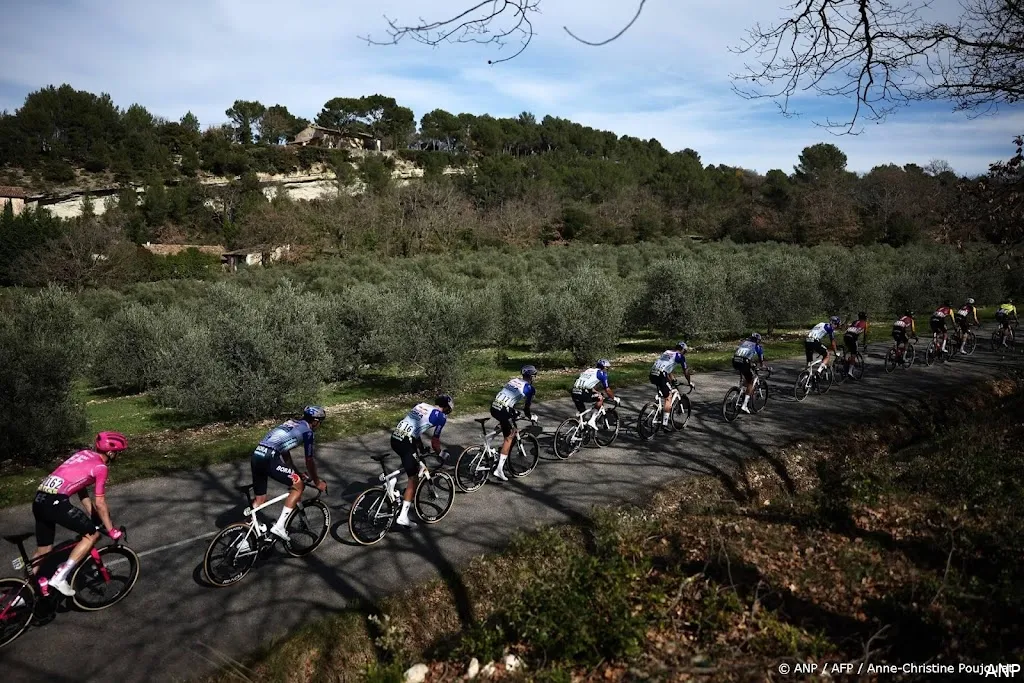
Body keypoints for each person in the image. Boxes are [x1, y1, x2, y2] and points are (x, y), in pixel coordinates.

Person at [31, 432, 128, 597]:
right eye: (118, 453)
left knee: (44, 550)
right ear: (111, 453)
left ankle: (25, 591)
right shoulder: (101, 468)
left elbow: (80, 487)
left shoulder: (83, 454)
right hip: (56, 502)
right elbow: (100, 503)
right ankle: (60, 577)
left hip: (40, 499)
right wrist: (111, 530)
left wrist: (91, 513)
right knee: (92, 535)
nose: (118, 456)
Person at [250, 406, 327, 543]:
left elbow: (284, 450)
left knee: (260, 499)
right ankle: (280, 527)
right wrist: (317, 482)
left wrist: (295, 472)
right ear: (315, 421)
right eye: (320, 422)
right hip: (269, 458)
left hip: (257, 455)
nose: (319, 425)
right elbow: (309, 460)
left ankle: (245, 534)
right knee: (298, 486)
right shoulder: (308, 432)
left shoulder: (290, 423)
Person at [389, 395, 454, 528]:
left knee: (410, 460)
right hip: (406, 441)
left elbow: (415, 428)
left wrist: (421, 448)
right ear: (447, 408)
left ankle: (393, 481)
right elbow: (435, 442)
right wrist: (441, 453)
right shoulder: (441, 417)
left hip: (396, 437)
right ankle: (403, 517)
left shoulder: (421, 405)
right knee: (413, 478)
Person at [490, 365, 539, 481]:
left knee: (505, 421)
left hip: (494, 406)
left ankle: (489, 444)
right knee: (509, 438)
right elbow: (526, 409)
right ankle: (499, 470)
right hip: (503, 409)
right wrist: (531, 416)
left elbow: (508, 397)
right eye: (534, 376)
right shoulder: (529, 388)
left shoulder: (513, 381)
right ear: (531, 377)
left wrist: (513, 412)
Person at [649, 342, 694, 427]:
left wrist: (673, 380)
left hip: (652, 373)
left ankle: (658, 408)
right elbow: (686, 371)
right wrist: (689, 382)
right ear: (683, 350)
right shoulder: (680, 356)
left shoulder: (667, 352)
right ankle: (664, 424)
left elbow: (667, 369)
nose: (684, 353)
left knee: (664, 390)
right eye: (685, 352)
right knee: (668, 398)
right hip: (661, 375)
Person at [570, 359, 620, 430]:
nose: (607, 370)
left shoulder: (589, 370)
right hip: (582, 392)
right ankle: (592, 420)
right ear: (604, 367)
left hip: (574, 391)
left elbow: (586, 384)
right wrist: (614, 398)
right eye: (607, 368)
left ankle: (579, 429)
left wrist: (596, 392)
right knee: (600, 398)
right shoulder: (602, 374)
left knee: (582, 411)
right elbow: (607, 390)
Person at [732, 333, 766, 414]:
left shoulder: (743, 343)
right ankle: (744, 405)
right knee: (751, 381)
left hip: (735, 361)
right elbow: (761, 360)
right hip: (744, 362)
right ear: (758, 340)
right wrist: (763, 366)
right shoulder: (758, 347)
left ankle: (739, 392)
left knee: (744, 376)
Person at [843, 312, 869, 378]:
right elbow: (865, 335)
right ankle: (850, 371)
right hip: (852, 337)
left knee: (849, 349)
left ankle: (846, 362)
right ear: (865, 318)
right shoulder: (865, 323)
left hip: (846, 336)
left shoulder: (855, 321)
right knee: (854, 353)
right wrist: (865, 344)